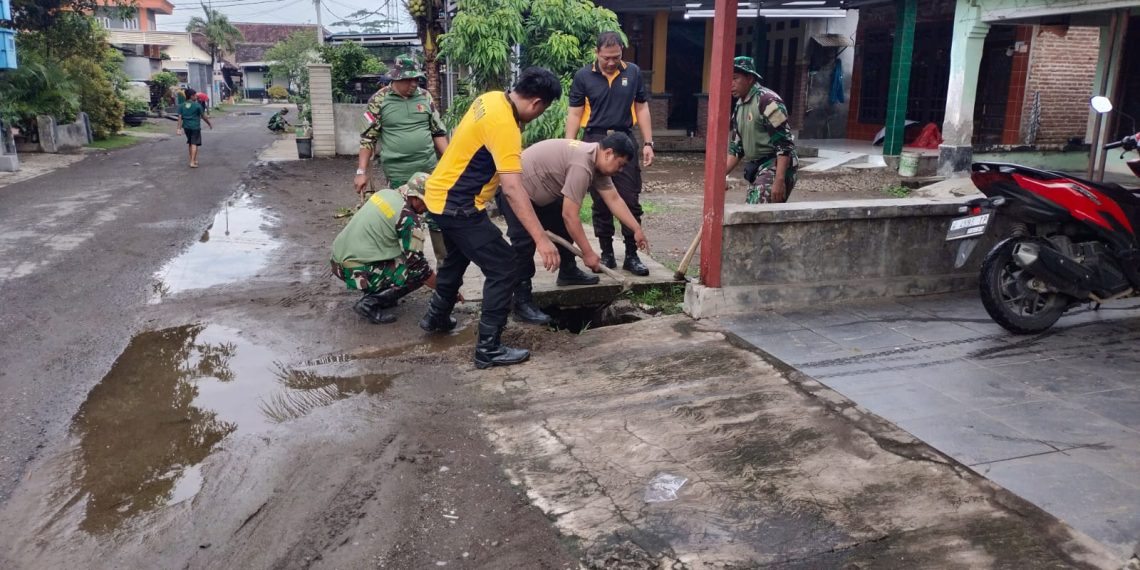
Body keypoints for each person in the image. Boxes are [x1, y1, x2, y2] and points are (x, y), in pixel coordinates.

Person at [419, 67, 562, 369]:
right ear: (537, 103)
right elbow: (512, 189)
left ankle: (436, 317)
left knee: (457, 258)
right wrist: (541, 239)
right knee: (504, 265)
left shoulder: (492, 99)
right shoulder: (505, 124)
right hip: (459, 206)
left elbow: (464, 138)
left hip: (438, 196)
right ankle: (488, 349)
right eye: (543, 110)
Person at [497, 134, 650, 325]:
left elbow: (613, 199)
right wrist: (588, 253)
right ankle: (521, 303)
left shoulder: (597, 162)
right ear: (609, 153)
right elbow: (570, 216)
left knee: (562, 225)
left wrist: (636, 229)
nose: (620, 170)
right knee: (524, 243)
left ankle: (568, 272)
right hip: (515, 192)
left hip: (540, 196)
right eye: (620, 165)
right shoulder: (582, 164)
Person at [566, 31, 655, 277]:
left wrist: (648, 142)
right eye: (606, 57)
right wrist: (569, 146)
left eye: (616, 57)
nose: (611, 62)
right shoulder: (584, 76)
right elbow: (574, 113)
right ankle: (606, 251)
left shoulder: (633, 72)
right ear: (597, 53)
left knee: (629, 198)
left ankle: (631, 255)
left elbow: (642, 107)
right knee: (601, 200)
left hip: (625, 139)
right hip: (595, 140)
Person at [355, 54, 450, 261]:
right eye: (409, 79)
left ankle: (445, 270)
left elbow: (437, 133)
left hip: (429, 171)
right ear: (395, 78)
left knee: (437, 218)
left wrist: (451, 162)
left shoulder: (425, 97)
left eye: (416, 79)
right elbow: (367, 140)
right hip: (399, 175)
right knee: (404, 221)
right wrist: (361, 172)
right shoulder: (379, 100)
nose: (414, 84)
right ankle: (411, 267)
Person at [330, 173, 437, 325]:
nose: (428, 208)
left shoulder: (386, 194)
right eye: (427, 203)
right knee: (415, 274)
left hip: (337, 260)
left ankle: (382, 292)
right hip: (353, 270)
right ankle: (369, 304)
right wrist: (444, 290)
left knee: (402, 258)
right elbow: (419, 267)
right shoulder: (408, 218)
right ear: (416, 198)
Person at [725, 56, 798, 204]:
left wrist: (779, 180)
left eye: (735, 78)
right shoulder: (739, 107)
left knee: (755, 212)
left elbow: (784, 144)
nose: (730, 84)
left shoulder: (767, 101)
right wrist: (720, 176)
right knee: (754, 214)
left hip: (775, 164)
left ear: (750, 78)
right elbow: (737, 148)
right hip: (757, 167)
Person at [176, 88, 212, 168]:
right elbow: (203, 116)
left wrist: (178, 128)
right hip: (195, 127)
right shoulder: (197, 105)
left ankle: (193, 159)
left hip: (186, 127)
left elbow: (180, 117)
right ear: (191, 96)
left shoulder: (181, 105)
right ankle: (192, 162)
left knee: (190, 143)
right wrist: (209, 123)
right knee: (194, 143)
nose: (196, 97)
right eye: (195, 95)